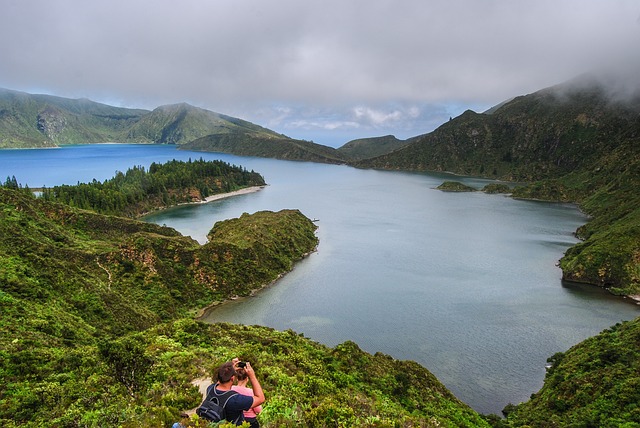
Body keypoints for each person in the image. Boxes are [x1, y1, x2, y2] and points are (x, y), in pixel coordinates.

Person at [208, 360, 265, 425]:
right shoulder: (235, 400)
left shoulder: (211, 389)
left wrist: (228, 369)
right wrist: (252, 376)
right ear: (232, 378)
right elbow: (261, 398)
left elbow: (219, 381)